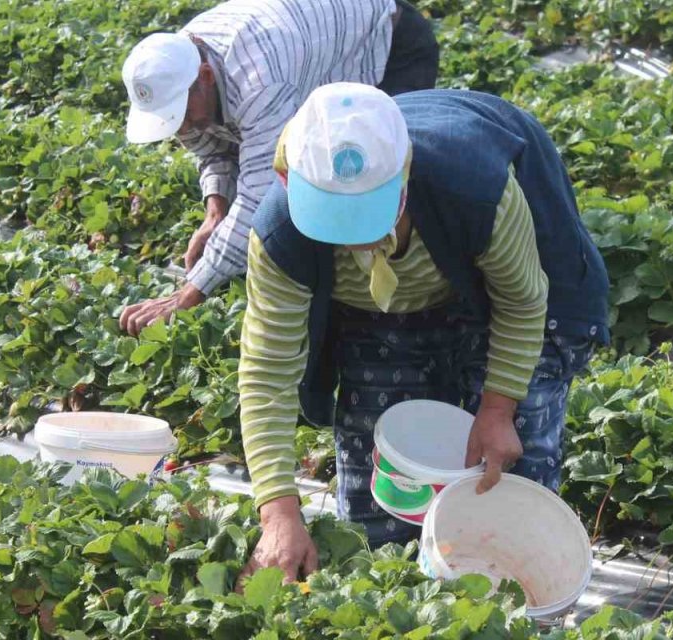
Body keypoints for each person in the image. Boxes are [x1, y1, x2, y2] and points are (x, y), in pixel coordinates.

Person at [236, 83, 611, 581]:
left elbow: (522, 301)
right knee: (384, 474)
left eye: (367, 214)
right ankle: (396, 591)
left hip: (506, 291)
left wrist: (498, 409)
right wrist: (279, 511)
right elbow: (267, 372)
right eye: (333, 219)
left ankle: (513, 591)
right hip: (377, 305)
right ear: (288, 179)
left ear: (404, 175)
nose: (354, 237)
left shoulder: (477, 191)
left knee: (507, 458)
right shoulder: (280, 235)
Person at [116, 0, 440, 336]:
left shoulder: (261, 82)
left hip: (388, 42)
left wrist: (190, 292)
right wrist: (216, 213)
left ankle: (409, 293)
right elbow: (211, 145)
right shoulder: (176, 64)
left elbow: (260, 195)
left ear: (206, 76)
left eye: (182, 115)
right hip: (313, 41)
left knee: (379, 175)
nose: (183, 129)